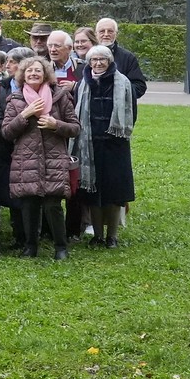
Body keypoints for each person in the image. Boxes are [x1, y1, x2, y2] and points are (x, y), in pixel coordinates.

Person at [2, 56, 79, 259]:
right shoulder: (15, 100)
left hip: (54, 159)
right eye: (29, 71)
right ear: (23, 76)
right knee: (29, 205)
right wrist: (24, 116)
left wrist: (56, 125)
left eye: (38, 70)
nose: (33, 74)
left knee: (53, 206)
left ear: (45, 74)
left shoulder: (60, 97)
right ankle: (30, 247)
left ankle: (61, 248)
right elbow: (7, 132)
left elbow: (75, 128)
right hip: (26, 161)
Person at [74, 44, 137, 247]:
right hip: (89, 144)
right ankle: (97, 235)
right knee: (93, 192)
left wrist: (118, 133)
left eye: (102, 59)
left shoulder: (124, 83)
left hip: (115, 145)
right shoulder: (82, 84)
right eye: (94, 59)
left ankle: (112, 236)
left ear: (109, 62)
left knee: (114, 193)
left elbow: (131, 113)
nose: (98, 63)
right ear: (89, 62)